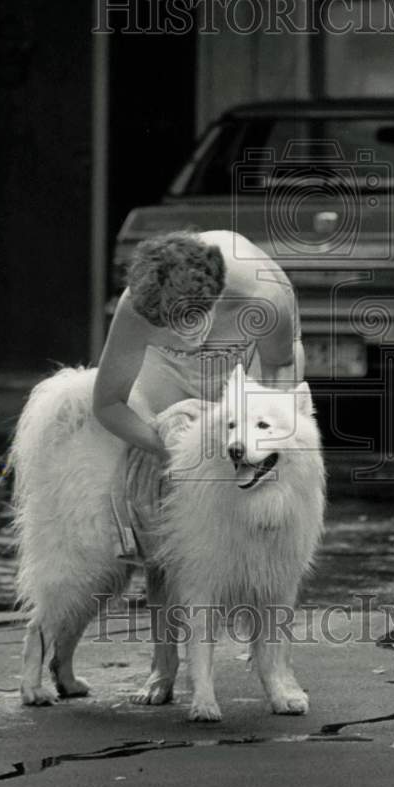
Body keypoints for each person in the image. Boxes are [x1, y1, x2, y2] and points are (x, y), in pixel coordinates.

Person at [92, 229, 304, 559]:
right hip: (169, 366)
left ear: (216, 297)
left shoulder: (259, 295)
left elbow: (280, 364)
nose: (184, 336)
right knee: (170, 482)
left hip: (254, 353)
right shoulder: (135, 309)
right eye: (168, 326)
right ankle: (168, 581)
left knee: (255, 467)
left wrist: (256, 436)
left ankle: (249, 573)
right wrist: (168, 447)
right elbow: (108, 403)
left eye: (191, 321)